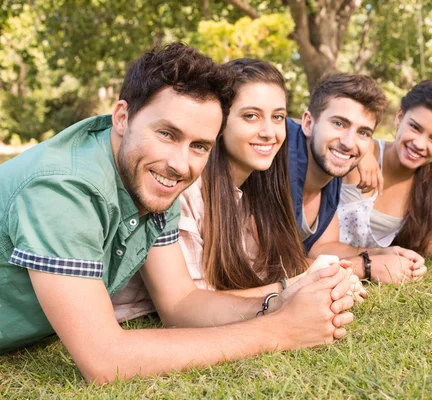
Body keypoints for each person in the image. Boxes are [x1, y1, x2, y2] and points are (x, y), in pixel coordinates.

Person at [0, 43, 355, 383]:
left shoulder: (151, 178)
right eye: (167, 134)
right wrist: (280, 330)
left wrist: (279, 301)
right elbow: (105, 359)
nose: (179, 164)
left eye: (199, 145)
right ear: (122, 117)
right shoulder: (64, 188)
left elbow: (181, 303)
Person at [112, 58, 365, 321]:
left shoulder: (253, 189)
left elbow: (247, 280)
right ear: (219, 123)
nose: (269, 132)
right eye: (251, 116)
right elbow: (191, 303)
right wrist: (293, 287)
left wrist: (325, 278)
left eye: (277, 117)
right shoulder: (182, 183)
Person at [287, 73, 428, 284]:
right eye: (338, 123)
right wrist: (365, 267)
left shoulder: (331, 173)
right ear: (308, 122)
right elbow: (265, 265)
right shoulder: (284, 164)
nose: (348, 142)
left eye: (363, 132)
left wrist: (379, 254)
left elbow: (322, 248)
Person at [338, 80, 432, 266]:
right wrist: (359, 150)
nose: (420, 144)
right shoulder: (357, 149)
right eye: (415, 127)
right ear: (399, 117)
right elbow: (305, 126)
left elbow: (428, 242)